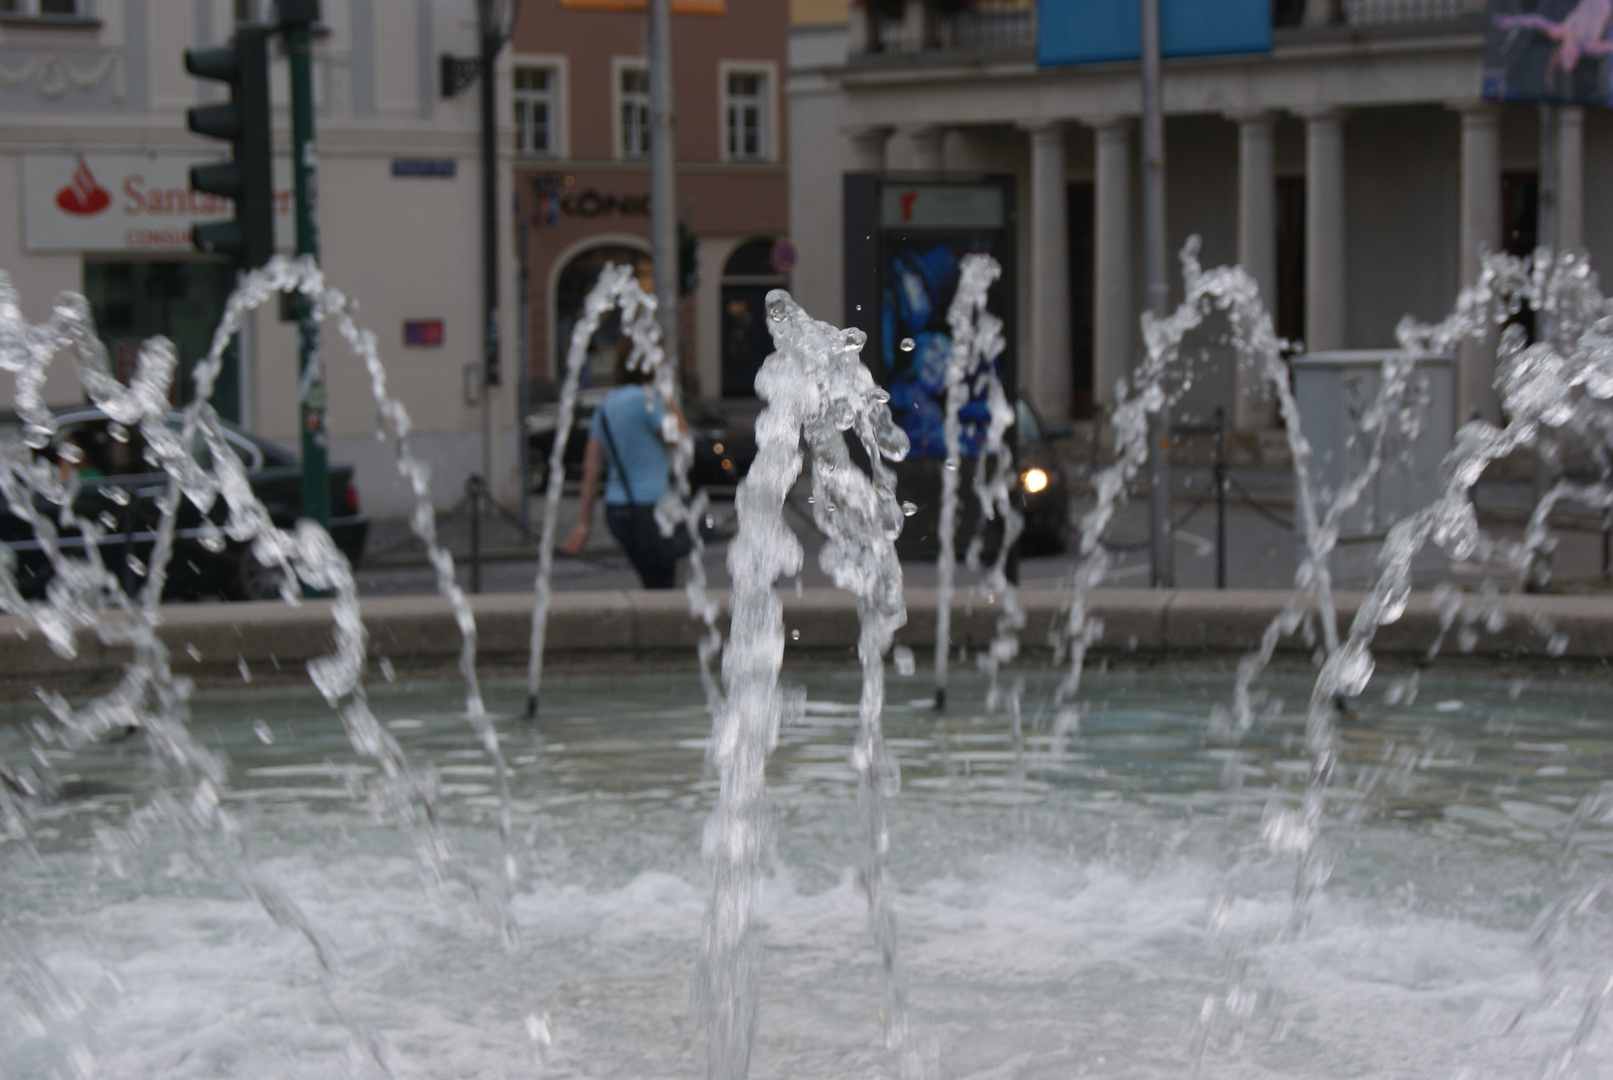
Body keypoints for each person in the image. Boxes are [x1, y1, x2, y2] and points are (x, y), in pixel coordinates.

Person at [559, 339, 688, 588]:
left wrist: (584, 523)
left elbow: (591, 471)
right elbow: (680, 437)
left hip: (616, 510)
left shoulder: (606, 406)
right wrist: (669, 391)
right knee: (662, 586)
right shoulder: (649, 401)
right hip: (651, 509)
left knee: (652, 580)